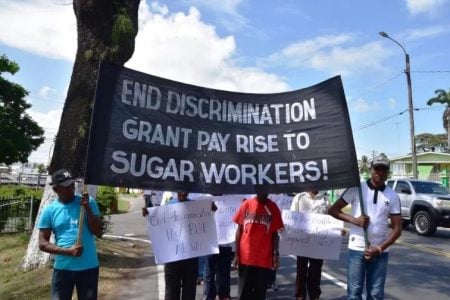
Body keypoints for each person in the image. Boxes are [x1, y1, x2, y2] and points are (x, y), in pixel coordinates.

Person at [329, 153, 402, 300]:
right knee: (354, 293)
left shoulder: (392, 196)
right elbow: (333, 210)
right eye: (377, 169)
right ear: (370, 169)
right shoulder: (356, 189)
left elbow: (397, 229)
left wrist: (380, 248)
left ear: (388, 173)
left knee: (375, 294)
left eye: (384, 170)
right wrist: (354, 220)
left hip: (381, 252)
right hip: (357, 248)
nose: (380, 173)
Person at [38, 169, 102, 300]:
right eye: (66, 186)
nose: (71, 189)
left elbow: (97, 231)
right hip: (63, 269)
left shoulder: (87, 202)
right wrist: (68, 251)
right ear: (56, 189)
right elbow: (42, 244)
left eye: (72, 184)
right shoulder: (49, 211)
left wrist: (88, 210)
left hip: (88, 267)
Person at [233, 193, 284, 300]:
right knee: (243, 293)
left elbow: (275, 234)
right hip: (246, 257)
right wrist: (236, 254)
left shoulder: (273, 207)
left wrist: (275, 254)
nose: (263, 191)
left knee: (260, 294)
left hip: (264, 259)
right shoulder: (246, 204)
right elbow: (239, 230)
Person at [290, 190, 330, 300]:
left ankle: (314, 296)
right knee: (301, 271)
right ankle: (300, 296)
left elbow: (330, 219)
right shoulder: (299, 197)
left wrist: (337, 230)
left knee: (315, 272)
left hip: (318, 242)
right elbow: (292, 217)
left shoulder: (324, 199)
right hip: (302, 242)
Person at [163, 191, 198, 300]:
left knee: (190, 289)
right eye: (181, 190)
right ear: (176, 191)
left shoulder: (195, 206)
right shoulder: (168, 206)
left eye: (186, 191)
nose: (183, 193)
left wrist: (211, 210)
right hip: (173, 256)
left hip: (190, 256)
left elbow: (205, 220)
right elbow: (158, 222)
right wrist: (148, 213)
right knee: (172, 289)